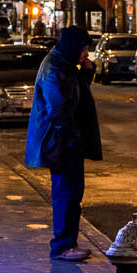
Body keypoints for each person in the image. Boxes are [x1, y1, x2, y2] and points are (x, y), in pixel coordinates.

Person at [24, 26, 102, 261]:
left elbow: (75, 94)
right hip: (60, 143)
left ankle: (68, 243)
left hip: (66, 140)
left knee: (72, 193)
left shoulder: (64, 65)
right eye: (84, 49)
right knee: (66, 194)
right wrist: (70, 138)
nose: (85, 55)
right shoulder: (54, 68)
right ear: (73, 47)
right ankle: (62, 246)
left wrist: (87, 73)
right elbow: (58, 107)